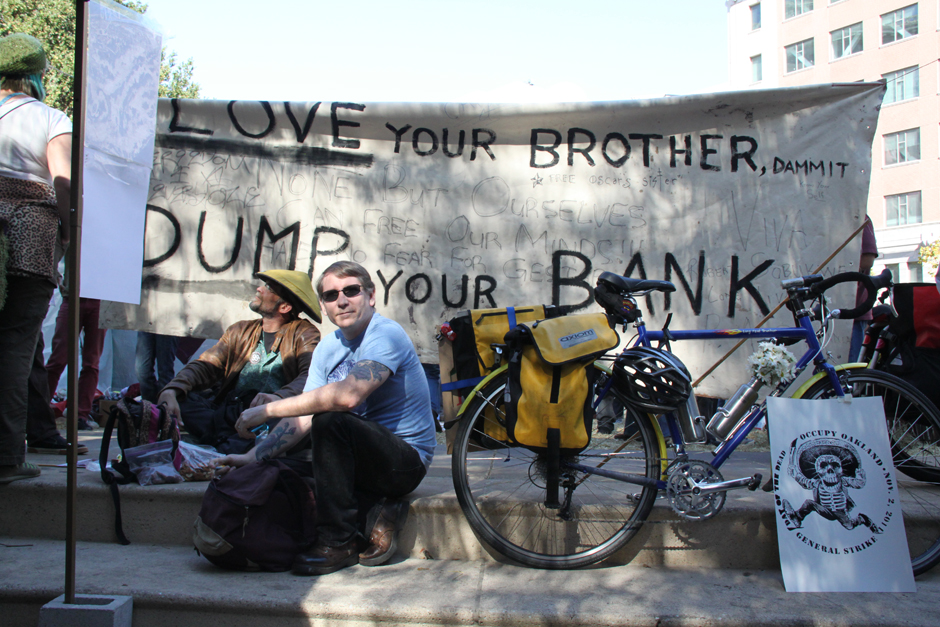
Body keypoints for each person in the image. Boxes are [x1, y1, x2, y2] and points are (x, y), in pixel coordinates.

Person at [213, 261, 437, 575]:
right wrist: (252, 456)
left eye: (351, 291)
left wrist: (267, 409)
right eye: (331, 295)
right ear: (324, 306)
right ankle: (375, 512)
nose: (342, 300)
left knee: (331, 422)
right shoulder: (327, 348)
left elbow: (347, 397)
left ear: (370, 296)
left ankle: (338, 541)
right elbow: (302, 419)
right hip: (358, 459)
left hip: (404, 461)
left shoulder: (386, 333)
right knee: (276, 466)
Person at [0, 33, 73, 483]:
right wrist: (70, 233)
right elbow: (62, 182)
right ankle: (7, 458)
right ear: (36, 76)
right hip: (28, 238)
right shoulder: (50, 118)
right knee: (15, 347)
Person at [157, 270, 322, 454]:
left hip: (268, 416)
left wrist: (278, 398)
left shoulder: (304, 333)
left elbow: (311, 376)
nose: (259, 289)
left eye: (268, 288)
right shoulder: (240, 330)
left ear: (284, 307)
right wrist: (173, 389)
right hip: (230, 412)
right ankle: (229, 443)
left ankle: (229, 445)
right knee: (181, 401)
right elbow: (207, 364)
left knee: (290, 424)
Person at [45, 258, 107, 430]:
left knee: (91, 363)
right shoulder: (76, 230)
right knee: (58, 359)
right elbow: (59, 243)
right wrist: (54, 271)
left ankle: (81, 415)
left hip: (100, 299)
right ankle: (40, 411)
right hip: (73, 296)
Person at [849, 216, 878, 361]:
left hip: (851, 311)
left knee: (844, 372)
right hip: (818, 308)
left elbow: (867, 260)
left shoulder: (858, 214)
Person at [136, 332, 180, 403]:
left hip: (168, 325)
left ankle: (165, 407)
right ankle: (149, 405)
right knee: (142, 370)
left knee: (165, 371)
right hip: (147, 324)